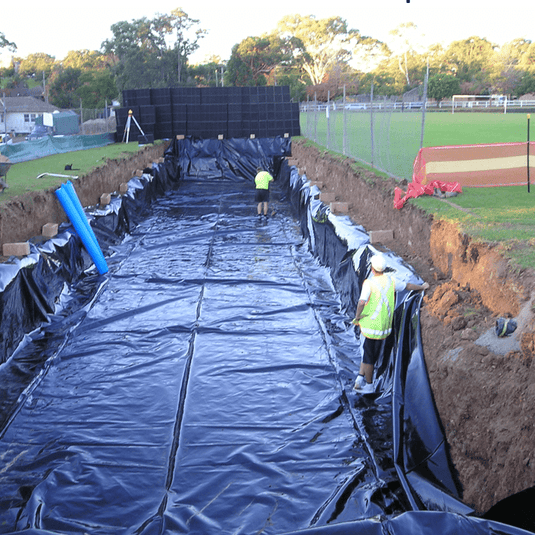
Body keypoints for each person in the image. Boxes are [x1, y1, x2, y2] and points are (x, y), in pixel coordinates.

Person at [352, 254, 429, 394]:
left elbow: (362, 302)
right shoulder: (391, 281)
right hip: (384, 326)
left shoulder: (369, 283)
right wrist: (422, 287)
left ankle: (369, 385)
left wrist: (357, 316)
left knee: (368, 356)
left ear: (372, 269)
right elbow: (408, 286)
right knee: (368, 353)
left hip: (370, 326)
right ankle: (360, 378)